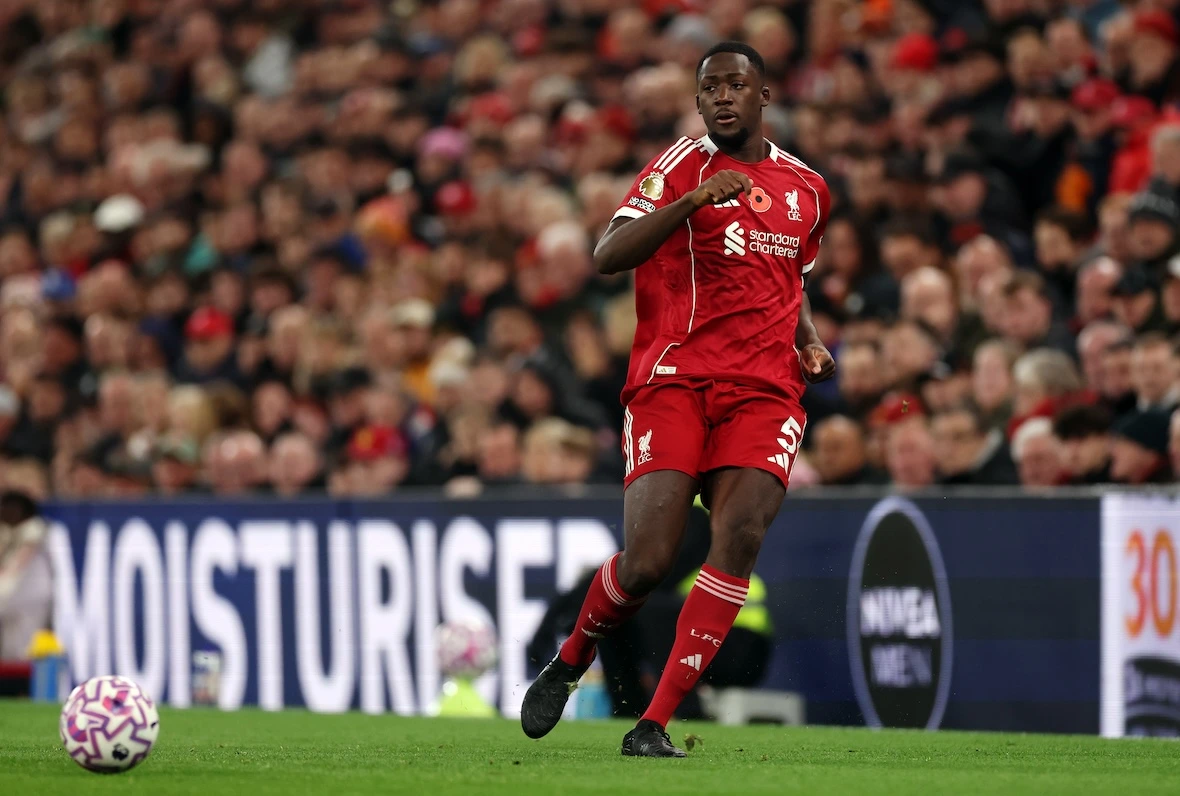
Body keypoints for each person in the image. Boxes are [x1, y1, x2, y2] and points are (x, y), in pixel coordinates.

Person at [520, 42, 834, 758]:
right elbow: (608, 254)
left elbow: (792, 280)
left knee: (742, 535)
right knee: (647, 562)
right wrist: (693, 201)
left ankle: (653, 722)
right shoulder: (676, 168)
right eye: (711, 88)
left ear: (763, 96)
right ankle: (572, 660)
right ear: (698, 104)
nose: (724, 97)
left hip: (764, 390)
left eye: (737, 85)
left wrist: (806, 342)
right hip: (675, 380)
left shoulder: (807, 188)